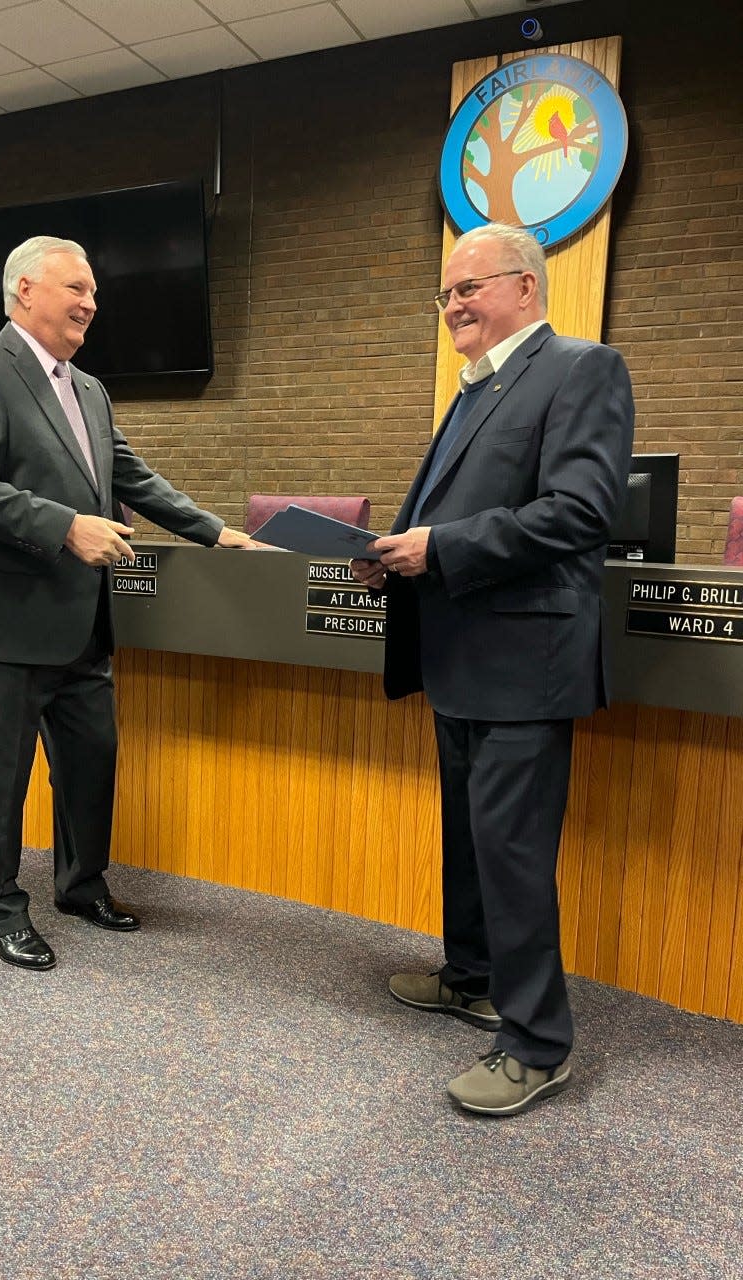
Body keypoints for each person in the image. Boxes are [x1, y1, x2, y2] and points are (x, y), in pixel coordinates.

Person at [351, 223, 634, 1116]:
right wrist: (390, 551)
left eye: (468, 288)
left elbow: (581, 512)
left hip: (527, 661)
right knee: (469, 842)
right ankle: (472, 977)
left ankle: (537, 1042)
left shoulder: (581, 368)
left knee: (512, 853)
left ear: (525, 285)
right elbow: (454, 512)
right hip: (462, 656)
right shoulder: (476, 389)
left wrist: (439, 547)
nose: (454, 307)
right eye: (444, 295)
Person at [0, 235, 255, 972]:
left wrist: (214, 531)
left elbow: (131, 473)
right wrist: (63, 525)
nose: (91, 303)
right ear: (25, 293)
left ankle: (81, 886)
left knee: (90, 765)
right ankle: (1, 909)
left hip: (82, 629)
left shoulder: (90, 388)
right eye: (75, 287)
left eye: (94, 292)